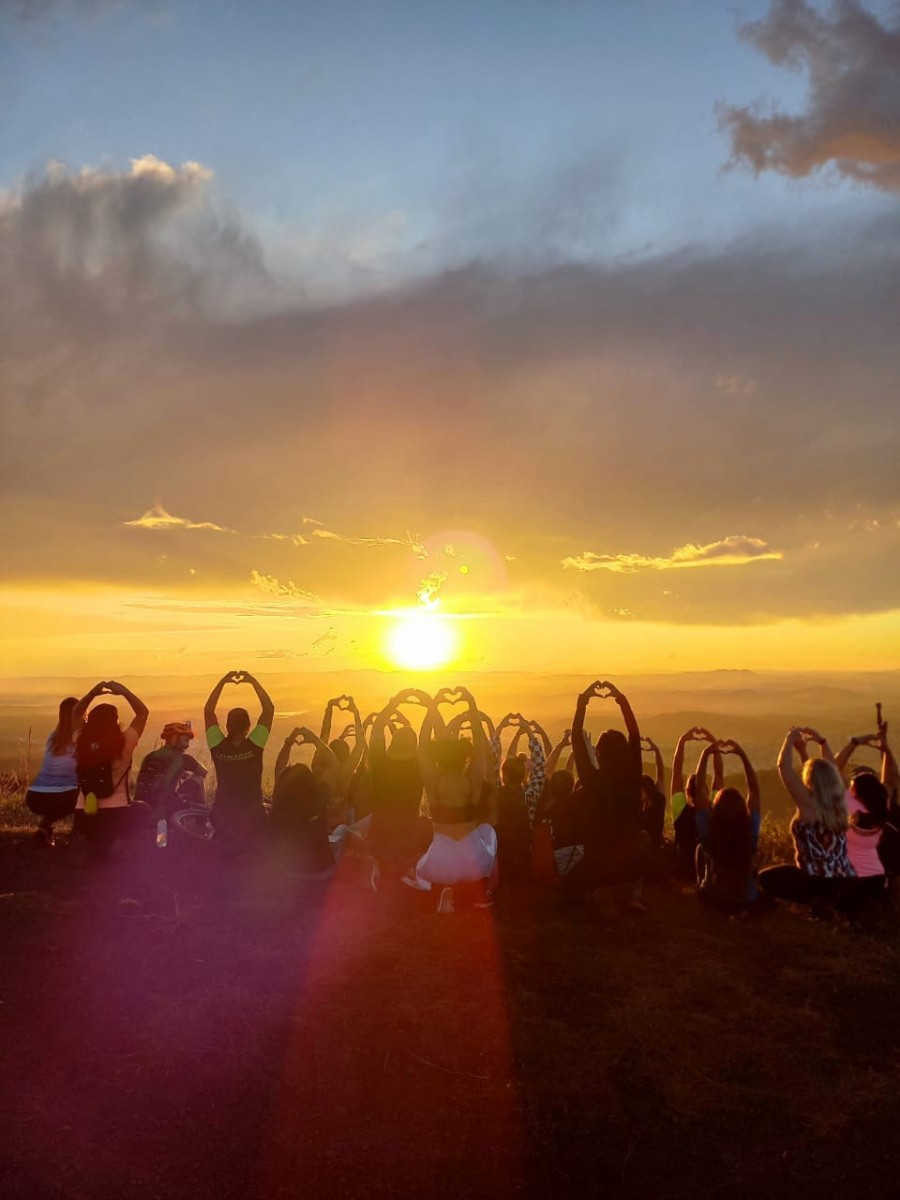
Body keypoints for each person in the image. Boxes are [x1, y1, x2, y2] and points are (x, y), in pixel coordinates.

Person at [404, 686, 497, 913]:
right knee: (489, 832)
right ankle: (480, 891)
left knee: (418, 871)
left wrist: (433, 705)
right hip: (475, 863)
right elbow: (481, 748)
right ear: (465, 757)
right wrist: (471, 704)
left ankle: (439, 890)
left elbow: (423, 744)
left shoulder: (433, 781)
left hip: (439, 863)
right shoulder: (472, 780)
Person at [566, 680, 651, 912]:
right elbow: (635, 735)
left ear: (599, 754)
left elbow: (576, 739)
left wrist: (583, 702)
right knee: (644, 839)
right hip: (628, 862)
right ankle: (632, 891)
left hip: (597, 863)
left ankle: (596, 895)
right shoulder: (633, 778)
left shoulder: (592, 780)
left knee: (568, 889)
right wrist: (621, 700)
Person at [758, 727, 856, 915]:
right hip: (845, 880)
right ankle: (835, 903)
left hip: (815, 881)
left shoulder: (808, 805)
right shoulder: (840, 803)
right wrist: (819, 743)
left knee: (765, 878)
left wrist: (790, 738)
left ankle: (818, 901)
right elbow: (830, 770)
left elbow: (784, 767)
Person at [72, 680, 149, 860]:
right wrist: (124, 691)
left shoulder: (81, 741)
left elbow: (76, 714)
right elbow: (143, 713)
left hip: (85, 815)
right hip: (116, 816)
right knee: (143, 809)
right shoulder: (125, 742)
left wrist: (92, 693)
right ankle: (119, 844)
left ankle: (90, 845)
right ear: (116, 723)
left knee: (94, 840)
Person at [693, 739, 771, 913]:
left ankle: (701, 882)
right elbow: (755, 791)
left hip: (712, 898)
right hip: (746, 899)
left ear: (717, 808)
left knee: (700, 848)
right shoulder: (748, 831)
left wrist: (705, 754)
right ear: (742, 808)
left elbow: (699, 789)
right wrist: (742, 755)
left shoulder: (709, 830)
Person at [203, 670, 274, 853]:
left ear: (227, 726)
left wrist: (223, 681)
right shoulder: (255, 745)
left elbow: (208, 710)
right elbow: (269, 709)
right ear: (249, 727)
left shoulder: (217, 746)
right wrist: (252, 681)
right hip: (253, 817)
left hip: (223, 814)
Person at [25, 696, 81, 846]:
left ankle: (46, 828)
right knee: (86, 788)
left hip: (34, 797)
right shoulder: (80, 739)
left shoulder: (52, 737)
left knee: (63, 791)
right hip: (63, 798)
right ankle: (79, 833)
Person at [670, 727, 723, 881]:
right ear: (706, 790)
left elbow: (676, 772)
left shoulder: (680, 810)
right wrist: (713, 743)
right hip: (709, 871)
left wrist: (682, 741)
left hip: (684, 870)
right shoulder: (714, 808)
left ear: (687, 792)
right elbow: (718, 774)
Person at [133, 721, 207, 820]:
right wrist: (188, 774)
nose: (187, 746)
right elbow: (204, 772)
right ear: (174, 738)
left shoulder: (149, 756)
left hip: (142, 806)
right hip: (168, 807)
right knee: (198, 778)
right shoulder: (185, 759)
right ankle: (200, 822)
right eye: (185, 740)